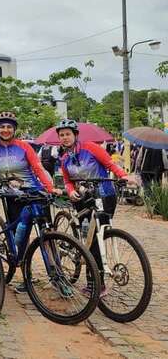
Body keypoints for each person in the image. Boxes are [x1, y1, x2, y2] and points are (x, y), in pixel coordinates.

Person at [0, 112, 61, 293]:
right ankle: (25, 275)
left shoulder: (23, 147)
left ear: (14, 129)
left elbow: (38, 167)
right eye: (2, 127)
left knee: (46, 235)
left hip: (33, 193)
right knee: (19, 238)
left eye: (9, 127)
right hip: (12, 198)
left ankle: (56, 276)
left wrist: (49, 187)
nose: (6, 130)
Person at [56, 118, 136, 295]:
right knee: (89, 238)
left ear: (75, 135)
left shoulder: (90, 148)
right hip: (82, 200)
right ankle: (94, 282)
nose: (65, 138)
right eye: (61, 135)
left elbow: (110, 164)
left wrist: (124, 176)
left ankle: (96, 282)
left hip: (105, 196)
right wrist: (70, 192)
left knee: (97, 237)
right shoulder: (64, 159)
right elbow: (68, 181)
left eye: (68, 134)